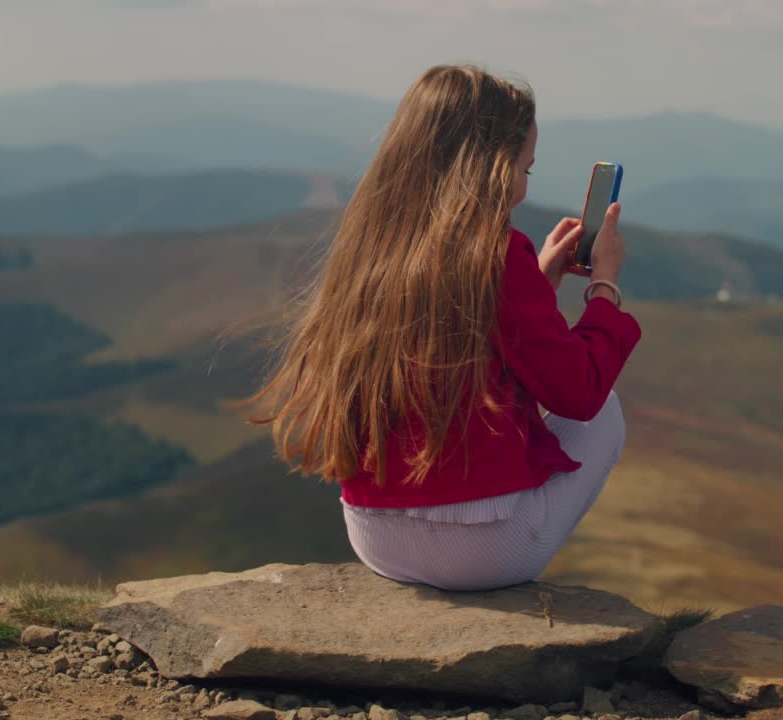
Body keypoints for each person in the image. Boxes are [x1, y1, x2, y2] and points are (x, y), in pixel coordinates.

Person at [246, 64, 641, 591]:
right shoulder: (496, 253)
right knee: (605, 412)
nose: (524, 186)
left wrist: (539, 278)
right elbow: (578, 392)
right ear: (492, 170)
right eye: (526, 170)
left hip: (373, 538)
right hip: (483, 551)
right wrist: (604, 288)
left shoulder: (371, 247)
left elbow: (460, 330)